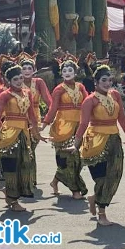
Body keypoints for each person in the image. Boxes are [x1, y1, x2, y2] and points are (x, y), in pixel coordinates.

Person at [71, 65, 125, 225]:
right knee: (101, 178)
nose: (108, 83)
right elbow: (83, 124)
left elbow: (122, 118)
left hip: (114, 140)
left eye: (110, 80)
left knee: (115, 174)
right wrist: (76, 145)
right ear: (96, 82)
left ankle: (95, 198)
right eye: (104, 80)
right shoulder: (90, 100)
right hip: (95, 142)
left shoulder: (115, 95)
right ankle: (102, 213)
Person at [0, 62, 43, 212]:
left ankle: (12, 193)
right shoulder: (5, 95)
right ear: (8, 81)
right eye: (15, 79)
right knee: (11, 166)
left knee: (24, 165)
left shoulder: (28, 93)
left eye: (20, 78)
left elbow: (31, 115)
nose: (19, 81)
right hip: (9, 133)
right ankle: (13, 199)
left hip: (24, 133)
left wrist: (37, 131)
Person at [42, 56, 88, 199]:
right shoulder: (58, 90)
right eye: (65, 70)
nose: (67, 72)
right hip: (62, 127)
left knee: (78, 159)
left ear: (75, 72)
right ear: (61, 73)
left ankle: (55, 181)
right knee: (67, 159)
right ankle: (75, 189)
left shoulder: (81, 87)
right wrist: (44, 124)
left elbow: (87, 104)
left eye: (70, 70)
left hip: (79, 126)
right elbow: (53, 109)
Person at [18, 52, 52, 186]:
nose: (27, 71)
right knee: (22, 148)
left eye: (29, 68)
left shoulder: (38, 82)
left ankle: (30, 178)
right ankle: (25, 179)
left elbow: (48, 99)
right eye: (24, 68)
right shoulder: (16, 82)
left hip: (35, 119)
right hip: (19, 119)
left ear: (34, 70)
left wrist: (53, 113)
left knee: (31, 147)